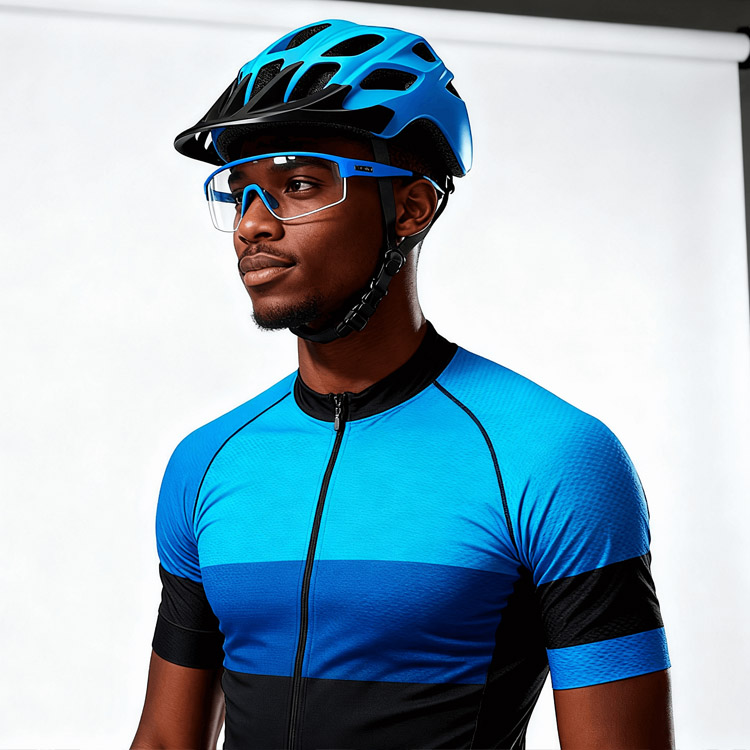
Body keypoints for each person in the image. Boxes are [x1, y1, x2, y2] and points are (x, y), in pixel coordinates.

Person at [131, 19, 674, 750]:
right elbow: (167, 741)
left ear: (411, 209)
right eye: (241, 193)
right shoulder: (205, 463)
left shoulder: (550, 457)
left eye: (298, 184)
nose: (252, 225)